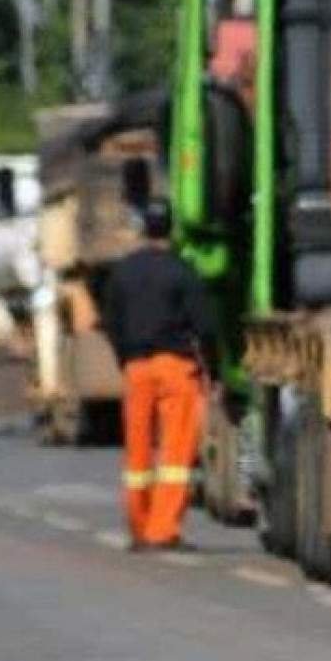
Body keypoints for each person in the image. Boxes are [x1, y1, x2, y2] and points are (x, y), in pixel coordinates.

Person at [100, 200, 220, 553]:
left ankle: (139, 527)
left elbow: (110, 321)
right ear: (172, 229)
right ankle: (162, 530)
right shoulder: (182, 270)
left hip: (136, 367)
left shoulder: (123, 272)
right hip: (176, 367)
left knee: (137, 450)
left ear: (143, 229)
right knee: (175, 453)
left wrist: (125, 358)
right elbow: (205, 325)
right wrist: (212, 368)